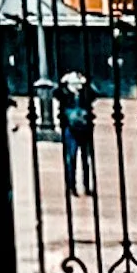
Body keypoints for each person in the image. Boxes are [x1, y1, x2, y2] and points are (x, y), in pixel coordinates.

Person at [58, 70, 96, 198]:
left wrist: (86, 83)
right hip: (71, 129)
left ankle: (86, 186)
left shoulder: (85, 93)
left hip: (85, 130)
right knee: (71, 158)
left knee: (86, 159)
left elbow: (95, 93)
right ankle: (71, 186)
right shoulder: (65, 94)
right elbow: (56, 92)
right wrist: (63, 83)